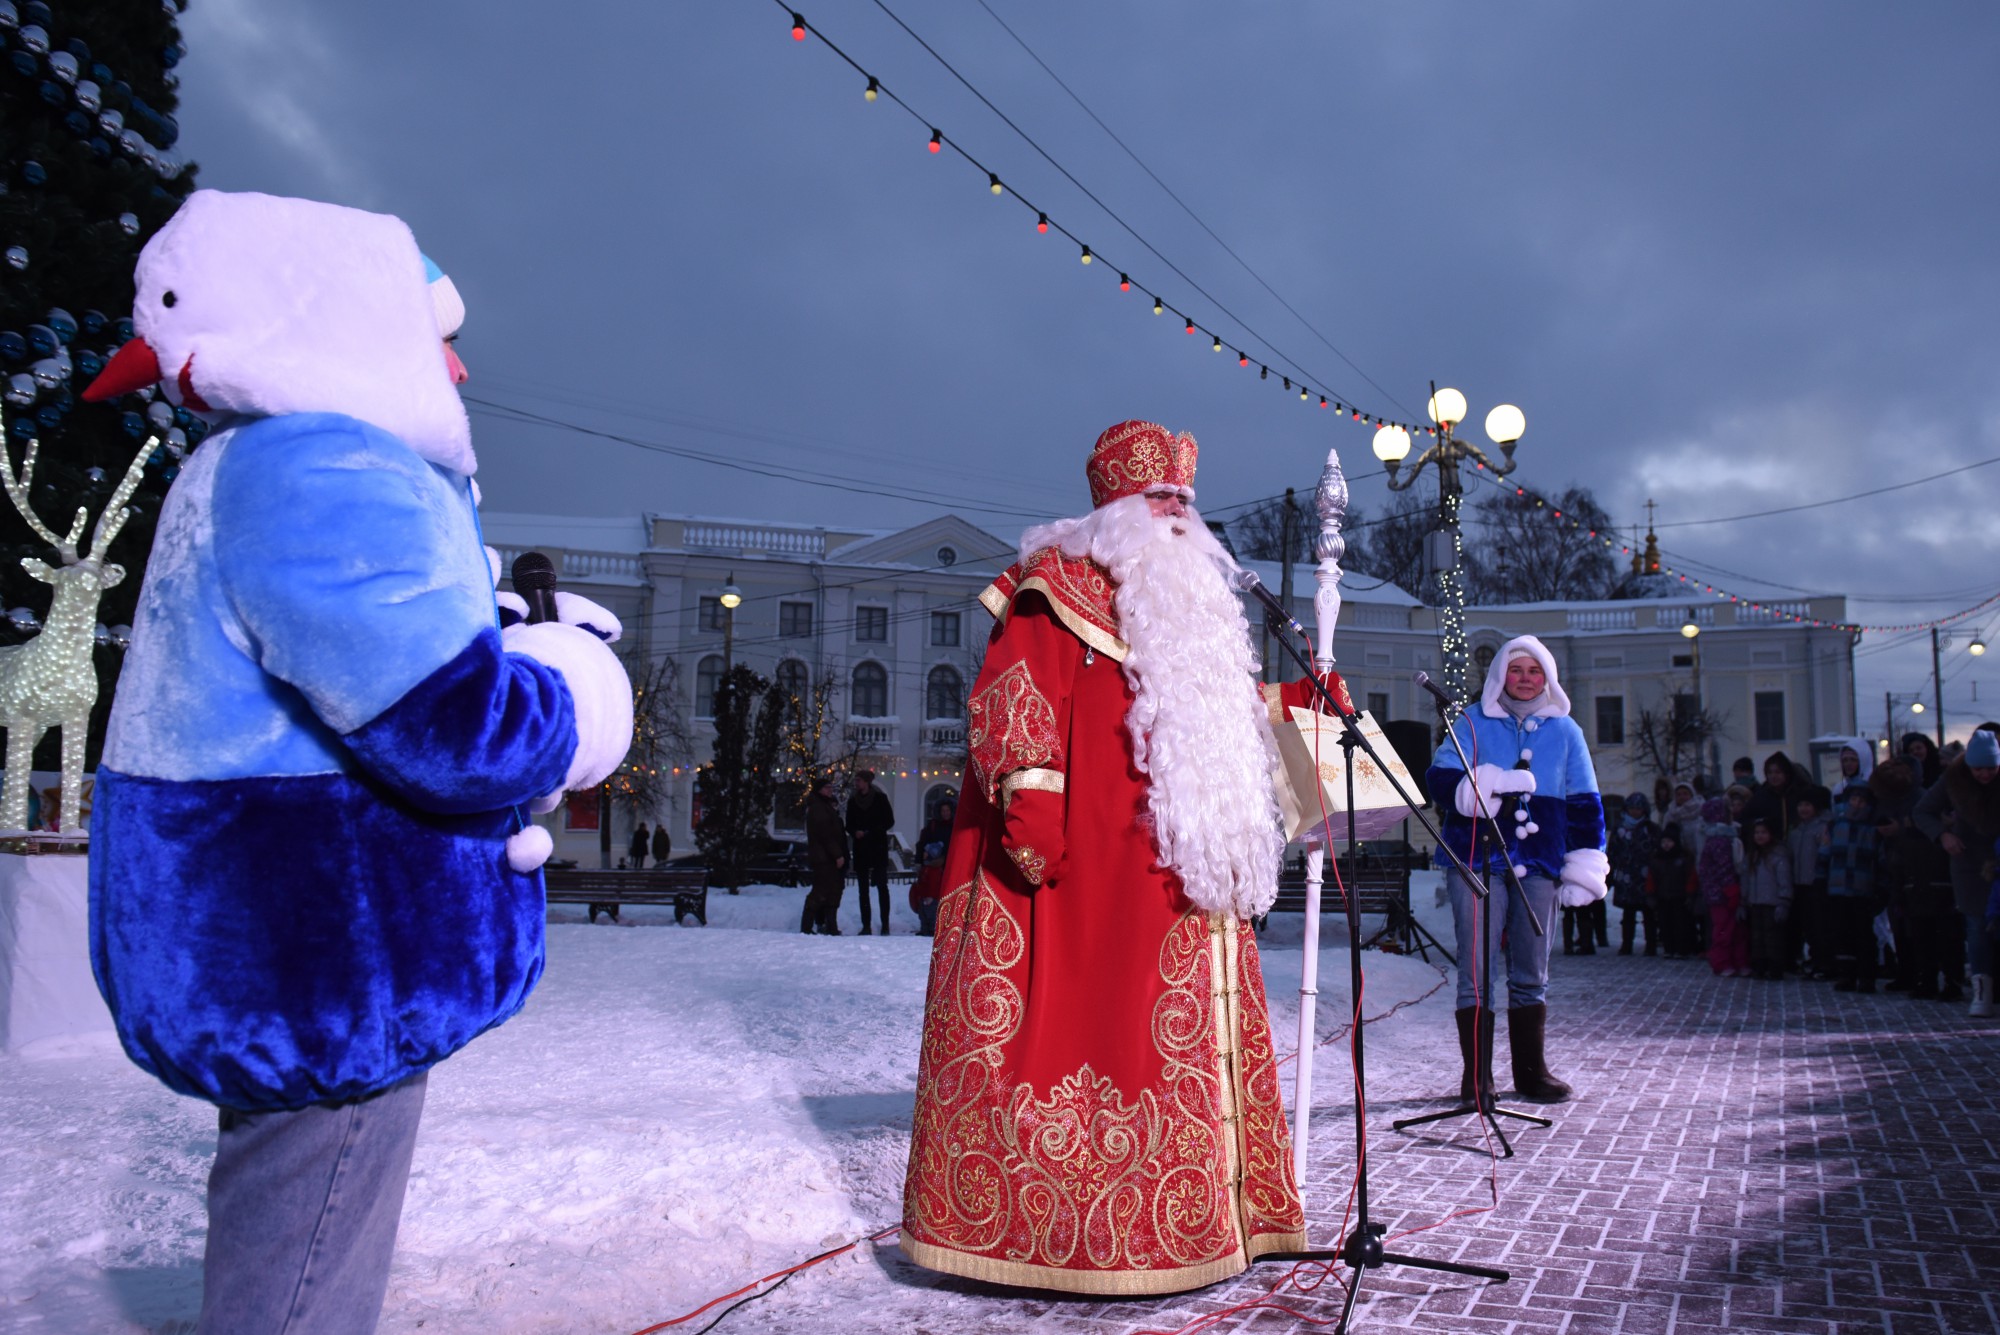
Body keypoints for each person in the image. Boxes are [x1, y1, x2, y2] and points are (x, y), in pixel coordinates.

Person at [81, 192, 632, 1334]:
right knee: (311, 1246)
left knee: (299, 1212)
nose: (456, 369)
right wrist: (574, 685)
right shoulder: (321, 461)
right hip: (323, 945)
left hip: (285, 934)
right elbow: (448, 726)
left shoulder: (268, 461)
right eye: (435, 336)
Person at [902, 420, 1332, 1292]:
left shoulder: (1198, 608)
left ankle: (1205, 1222)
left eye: (1185, 500)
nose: (1177, 513)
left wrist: (1299, 702)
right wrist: (1032, 816)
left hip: (1184, 876)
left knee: (1180, 1049)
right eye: (1159, 498)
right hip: (1084, 871)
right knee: (1079, 1045)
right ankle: (1064, 1239)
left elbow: (1226, 715)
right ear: (1116, 507)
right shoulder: (1053, 584)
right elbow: (1012, 695)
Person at [1427, 635, 1607, 1106]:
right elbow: (1440, 778)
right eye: (1516, 670)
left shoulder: (1566, 732)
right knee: (1477, 969)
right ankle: (1477, 1079)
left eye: (1534, 672)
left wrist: (1585, 860)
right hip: (1476, 860)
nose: (1525, 680)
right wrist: (1486, 784)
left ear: (1547, 677)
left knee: (1532, 971)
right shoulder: (1471, 720)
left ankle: (1531, 1073)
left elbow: (1586, 802)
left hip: (1541, 864)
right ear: (1500, 674)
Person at [1912, 727, 2000, 1017]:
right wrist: (1942, 836)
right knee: (1976, 929)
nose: (1985, 775)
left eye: (1991, 768)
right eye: (1979, 769)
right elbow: (1922, 811)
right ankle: (1982, 993)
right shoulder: (1953, 779)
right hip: (1968, 863)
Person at [1822, 783, 1883, 992]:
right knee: (1842, 933)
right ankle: (1846, 974)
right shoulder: (1835, 825)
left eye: (1862, 801)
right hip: (1838, 887)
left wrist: (1880, 887)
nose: (1857, 805)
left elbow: (1879, 860)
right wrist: (1820, 879)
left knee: (1864, 934)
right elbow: (1825, 853)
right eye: (1854, 800)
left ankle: (1867, 976)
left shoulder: (1872, 830)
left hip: (1862, 888)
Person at [1788, 787, 1834, 977]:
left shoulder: (1822, 827)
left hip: (1817, 882)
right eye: (1800, 805)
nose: (1803, 809)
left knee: (1821, 925)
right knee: (1809, 926)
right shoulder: (1796, 830)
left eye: (1807, 805)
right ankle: (1815, 959)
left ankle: (1826, 962)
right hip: (1800, 883)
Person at [845, 768, 896, 935]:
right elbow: (849, 823)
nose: (856, 783)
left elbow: (889, 821)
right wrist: (855, 832)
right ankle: (865, 925)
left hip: (877, 847)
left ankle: (885, 924)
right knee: (863, 890)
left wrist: (872, 831)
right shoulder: (853, 801)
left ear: (866, 782)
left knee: (882, 887)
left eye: (859, 780)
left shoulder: (880, 799)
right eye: (856, 781)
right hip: (861, 849)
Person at [1742, 818, 1793, 980]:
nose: (1759, 836)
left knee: (1773, 937)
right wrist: (1743, 902)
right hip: (1755, 902)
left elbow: (1784, 880)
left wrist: (1784, 901)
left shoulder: (1778, 856)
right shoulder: (1751, 856)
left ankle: (1775, 966)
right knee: (1757, 936)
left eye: (1763, 832)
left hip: (1773, 902)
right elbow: (1745, 880)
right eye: (1757, 833)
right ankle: (1759, 965)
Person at [1609, 792, 1659, 956]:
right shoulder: (1620, 828)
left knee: (1648, 913)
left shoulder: (1650, 829)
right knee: (1628, 913)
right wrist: (1610, 873)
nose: (1635, 812)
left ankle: (1650, 945)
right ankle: (1626, 944)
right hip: (1626, 877)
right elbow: (1613, 851)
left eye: (1638, 808)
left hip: (1645, 877)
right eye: (1632, 808)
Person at [802, 774, 847, 935]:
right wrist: (837, 855)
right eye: (827, 788)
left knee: (833, 890)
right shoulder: (818, 808)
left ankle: (831, 926)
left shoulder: (824, 806)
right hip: (823, 857)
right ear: (820, 790)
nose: (830, 790)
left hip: (827, 856)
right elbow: (826, 834)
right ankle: (806, 927)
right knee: (820, 891)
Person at [1648, 824, 1699, 959]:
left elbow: (1690, 878)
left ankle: (1682, 949)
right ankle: (1669, 948)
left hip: (1680, 897)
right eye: (1663, 842)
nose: (1666, 845)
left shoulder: (1683, 858)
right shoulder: (1656, 859)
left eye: (1669, 842)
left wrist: (1690, 894)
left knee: (1681, 924)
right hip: (1663, 897)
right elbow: (1651, 879)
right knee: (1665, 924)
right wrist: (1651, 895)